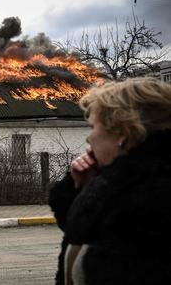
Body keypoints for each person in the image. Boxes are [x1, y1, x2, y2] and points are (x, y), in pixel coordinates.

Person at [49, 77, 171, 284]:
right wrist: (81, 188)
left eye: (93, 127)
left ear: (122, 134)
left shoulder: (147, 202)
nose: (89, 138)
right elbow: (85, 232)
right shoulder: (126, 188)